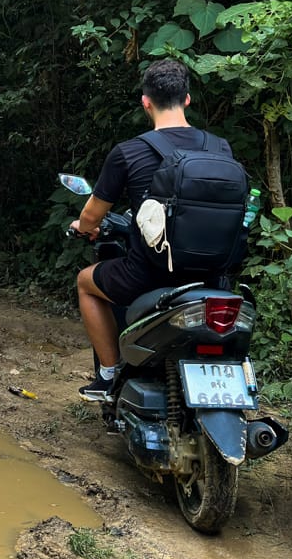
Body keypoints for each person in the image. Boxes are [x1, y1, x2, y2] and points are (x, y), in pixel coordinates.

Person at [68, 59, 235, 402]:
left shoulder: (129, 152)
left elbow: (92, 216)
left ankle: (108, 376)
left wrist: (84, 228)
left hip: (148, 274)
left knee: (85, 282)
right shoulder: (220, 148)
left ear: (146, 102)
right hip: (214, 276)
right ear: (187, 99)